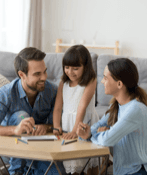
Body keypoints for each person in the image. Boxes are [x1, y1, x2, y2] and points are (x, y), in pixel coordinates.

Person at [0, 47, 65, 175]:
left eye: (45, 72)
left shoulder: (52, 91)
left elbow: (57, 125)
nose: (44, 77)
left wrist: (46, 127)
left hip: (40, 149)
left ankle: (29, 169)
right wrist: (15, 130)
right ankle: (17, 171)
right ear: (22, 75)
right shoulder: (5, 93)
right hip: (14, 150)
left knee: (58, 172)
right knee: (21, 116)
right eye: (37, 74)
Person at [77, 58, 147, 175]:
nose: (102, 82)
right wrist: (89, 133)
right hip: (123, 171)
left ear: (119, 84)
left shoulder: (136, 109)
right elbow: (97, 127)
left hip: (138, 171)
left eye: (105, 78)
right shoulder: (117, 107)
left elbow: (107, 139)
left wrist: (95, 134)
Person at [53, 45, 99, 175]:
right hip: (68, 123)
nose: (70, 72)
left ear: (86, 66)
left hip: (84, 122)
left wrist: (75, 129)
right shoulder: (63, 82)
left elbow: (82, 105)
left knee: (90, 160)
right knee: (73, 161)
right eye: (67, 67)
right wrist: (56, 126)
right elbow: (57, 107)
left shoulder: (91, 80)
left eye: (75, 68)